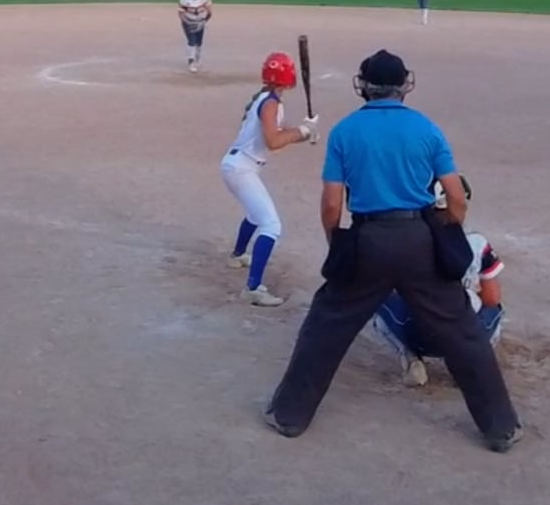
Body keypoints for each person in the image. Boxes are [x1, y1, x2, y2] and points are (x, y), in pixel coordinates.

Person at [264, 49, 524, 452]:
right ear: (404, 85)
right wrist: (445, 229)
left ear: (363, 86)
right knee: (461, 331)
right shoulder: (426, 128)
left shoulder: (346, 131)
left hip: (369, 238)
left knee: (326, 323)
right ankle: (500, 428)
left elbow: (332, 205)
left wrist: (339, 245)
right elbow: (456, 197)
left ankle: (290, 415)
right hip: (420, 237)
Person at [373, 181, 504, 386]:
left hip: (419, 333)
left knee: (380, 301)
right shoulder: (477, 242)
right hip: (467, 332)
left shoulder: (407, 240)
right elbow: (492, 298)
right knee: (495, 311)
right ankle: (470, 364)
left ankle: (410, 359)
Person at [221, 52, 321, 306]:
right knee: (271, 225)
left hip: (238, 165)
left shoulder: (266, 98)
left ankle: (238, 255)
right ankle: (253, 288)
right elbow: (274, 141)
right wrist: (303, 130)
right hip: (242, 168)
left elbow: (279, 133)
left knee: (256, 214)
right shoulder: (270, 103)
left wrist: (304, 132)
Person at [178, 0, 213, 73]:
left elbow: (210, 12)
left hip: (199, 21)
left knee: (199, 43)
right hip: (188, 22)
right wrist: (187, 23)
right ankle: (191, 62)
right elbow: (180, 14)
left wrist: (204, 21)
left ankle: (197, 57)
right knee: (191, 41)